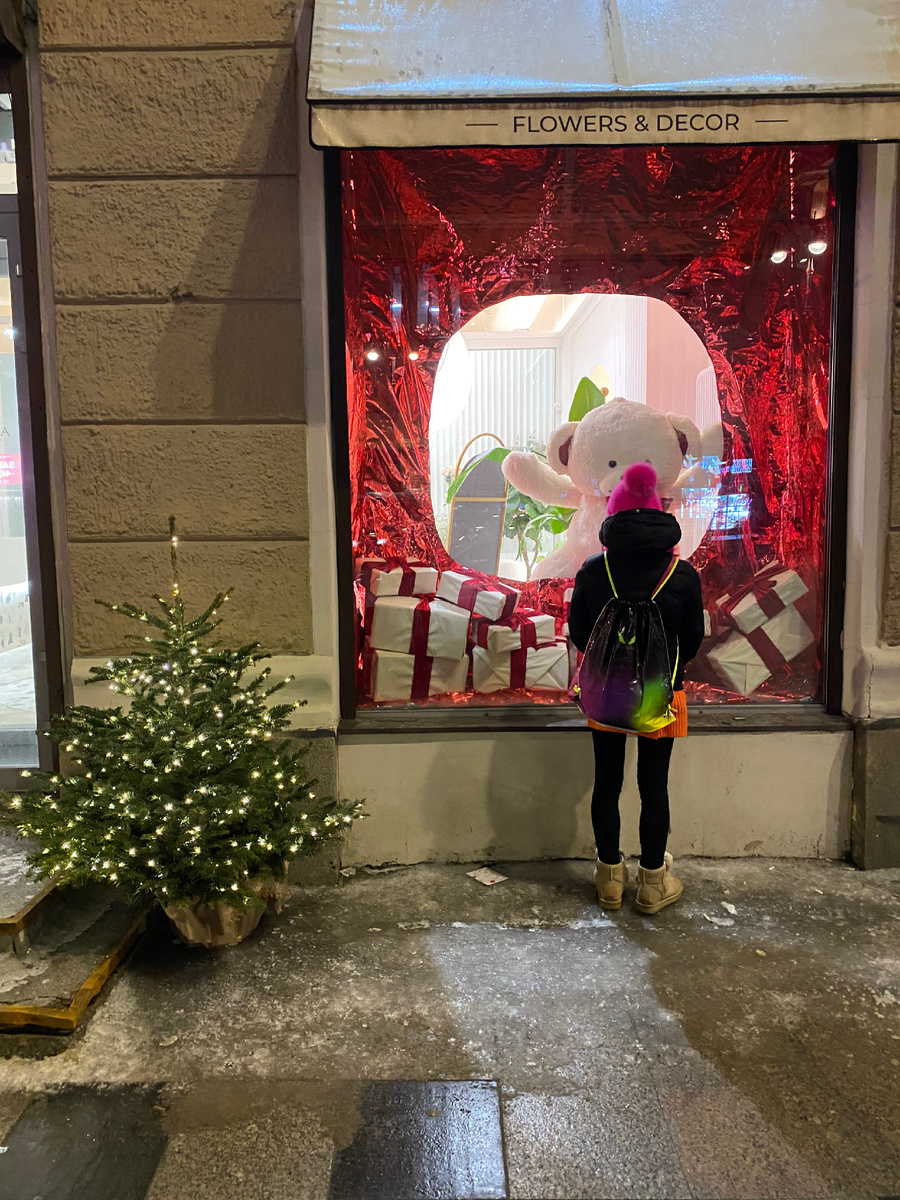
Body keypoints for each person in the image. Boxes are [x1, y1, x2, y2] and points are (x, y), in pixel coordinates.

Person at [568, 462, 705, 915]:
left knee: (607, 782)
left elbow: (579, 632)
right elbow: (693, 638)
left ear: (614, 514)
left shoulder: (593, 571)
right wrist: (664, 669)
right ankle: (652, 884)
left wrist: (612, 661)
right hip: (662, 695)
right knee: (654, 785)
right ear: (659, 516)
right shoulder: (682, 574)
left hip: (606, 692)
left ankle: (609, 880)